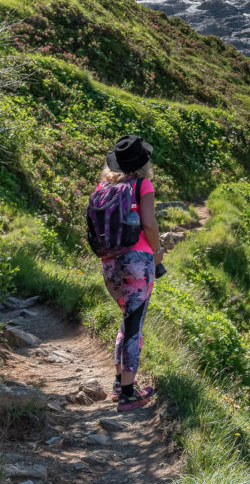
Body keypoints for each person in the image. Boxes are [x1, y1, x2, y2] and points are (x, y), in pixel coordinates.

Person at [97, 134, 164, 412]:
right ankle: (127, 394)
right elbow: (148, 223)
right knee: (134, 326)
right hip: (137, 263)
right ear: (142, 163)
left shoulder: (103, 187)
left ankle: (118, 384)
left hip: (109, 263)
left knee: (127, 320)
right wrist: (157, 251)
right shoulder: (142, 185)